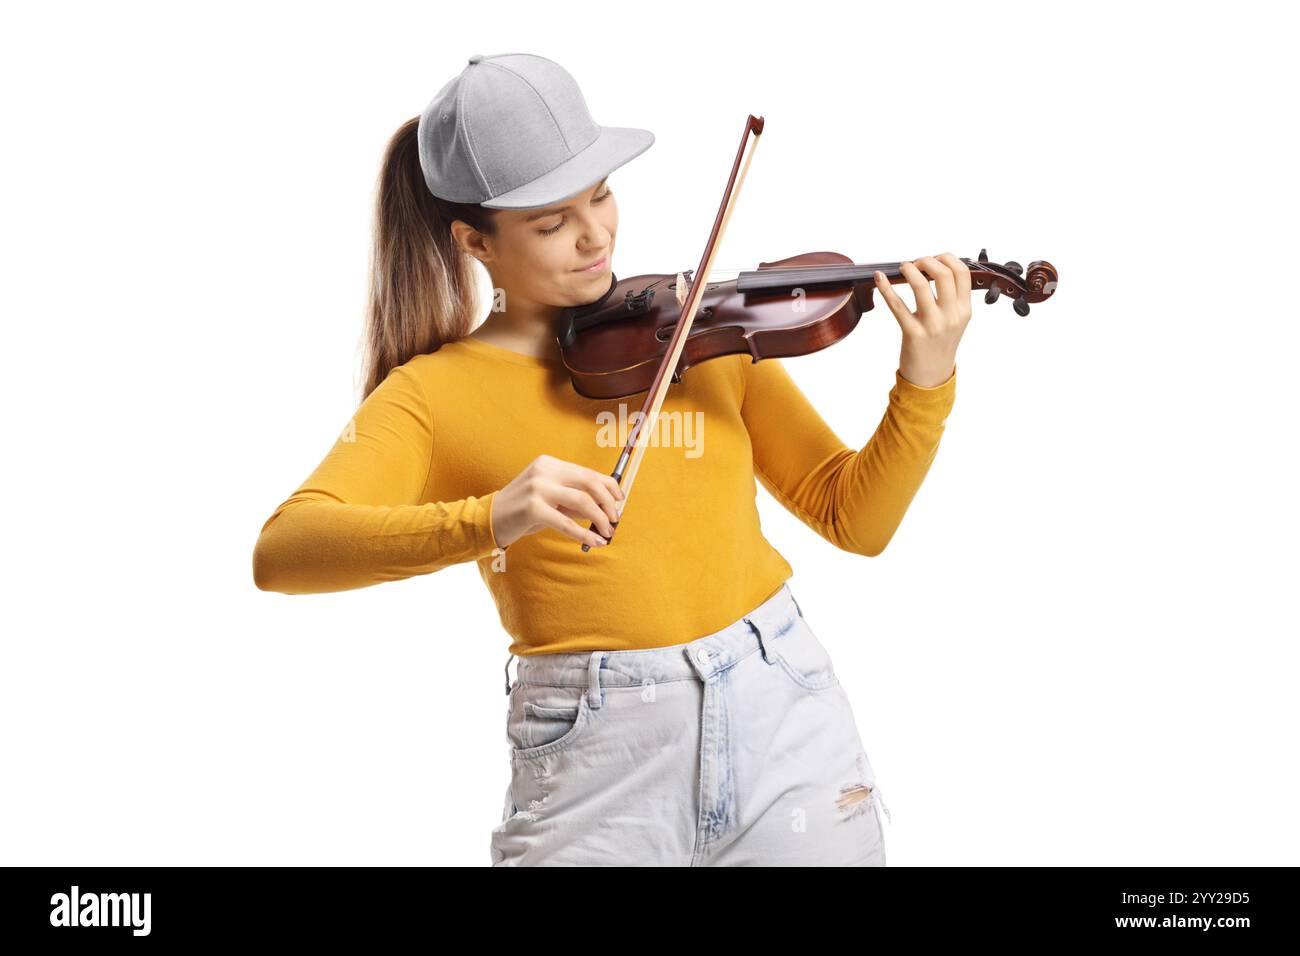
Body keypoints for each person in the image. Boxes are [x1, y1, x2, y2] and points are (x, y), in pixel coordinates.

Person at [252, 52, 970, 866]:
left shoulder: (694, 329)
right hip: (595, 762)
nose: (595, 234)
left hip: (785, 722)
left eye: (599, 195)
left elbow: (856, 519)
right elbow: (285, 551)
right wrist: (493, 516)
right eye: (551, 222)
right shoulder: (432, 395)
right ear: (473, 240)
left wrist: (926, 380)